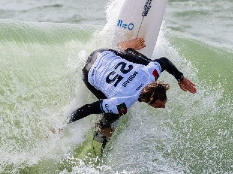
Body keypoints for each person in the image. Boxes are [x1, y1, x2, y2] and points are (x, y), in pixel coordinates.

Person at [68, 36, 197, 141]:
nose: (163, 107)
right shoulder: (123, 102)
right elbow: (88, 109)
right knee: (113, 114)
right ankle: (101, 133)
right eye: (159, 105)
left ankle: (125, 49)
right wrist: (64, 123)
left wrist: (180, 78)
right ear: (148, 99)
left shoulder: (149, 74)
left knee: (148, 63)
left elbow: (164, 62)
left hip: (101, 53)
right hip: (88, 72)